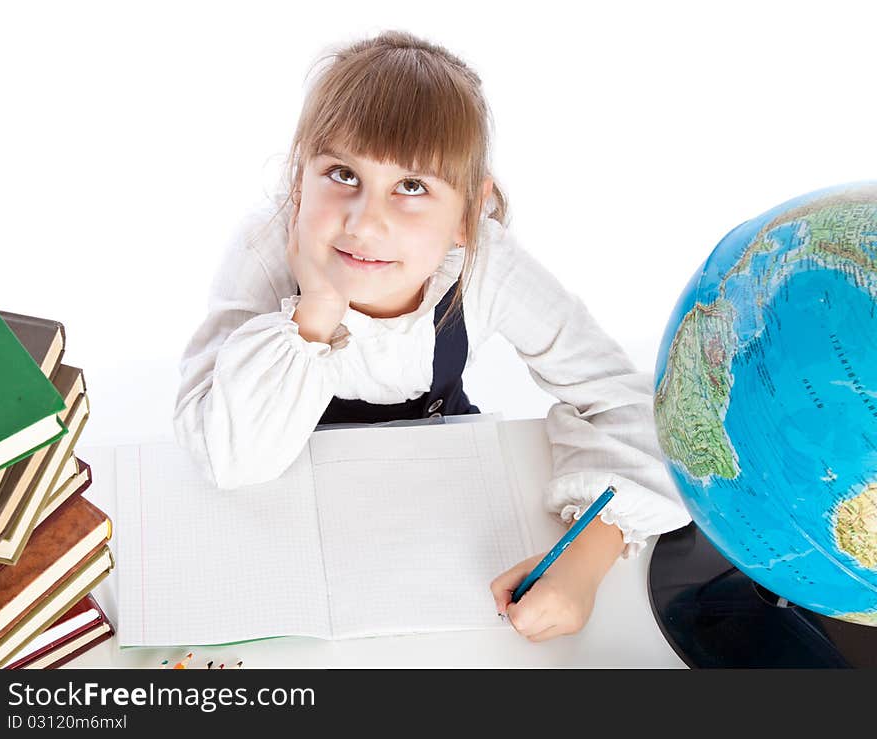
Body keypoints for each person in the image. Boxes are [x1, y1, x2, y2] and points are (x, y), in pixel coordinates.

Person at [173, 29, 691, 643]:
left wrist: (586, 559)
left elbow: (627, 402)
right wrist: (316, 308)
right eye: (341, 173)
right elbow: (229, 458)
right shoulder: (264, 254)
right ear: (297, 182)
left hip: (441, 511)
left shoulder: (486, 265)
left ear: (468, 216)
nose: (366, 223)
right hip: (291, 509)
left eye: (412, 187)